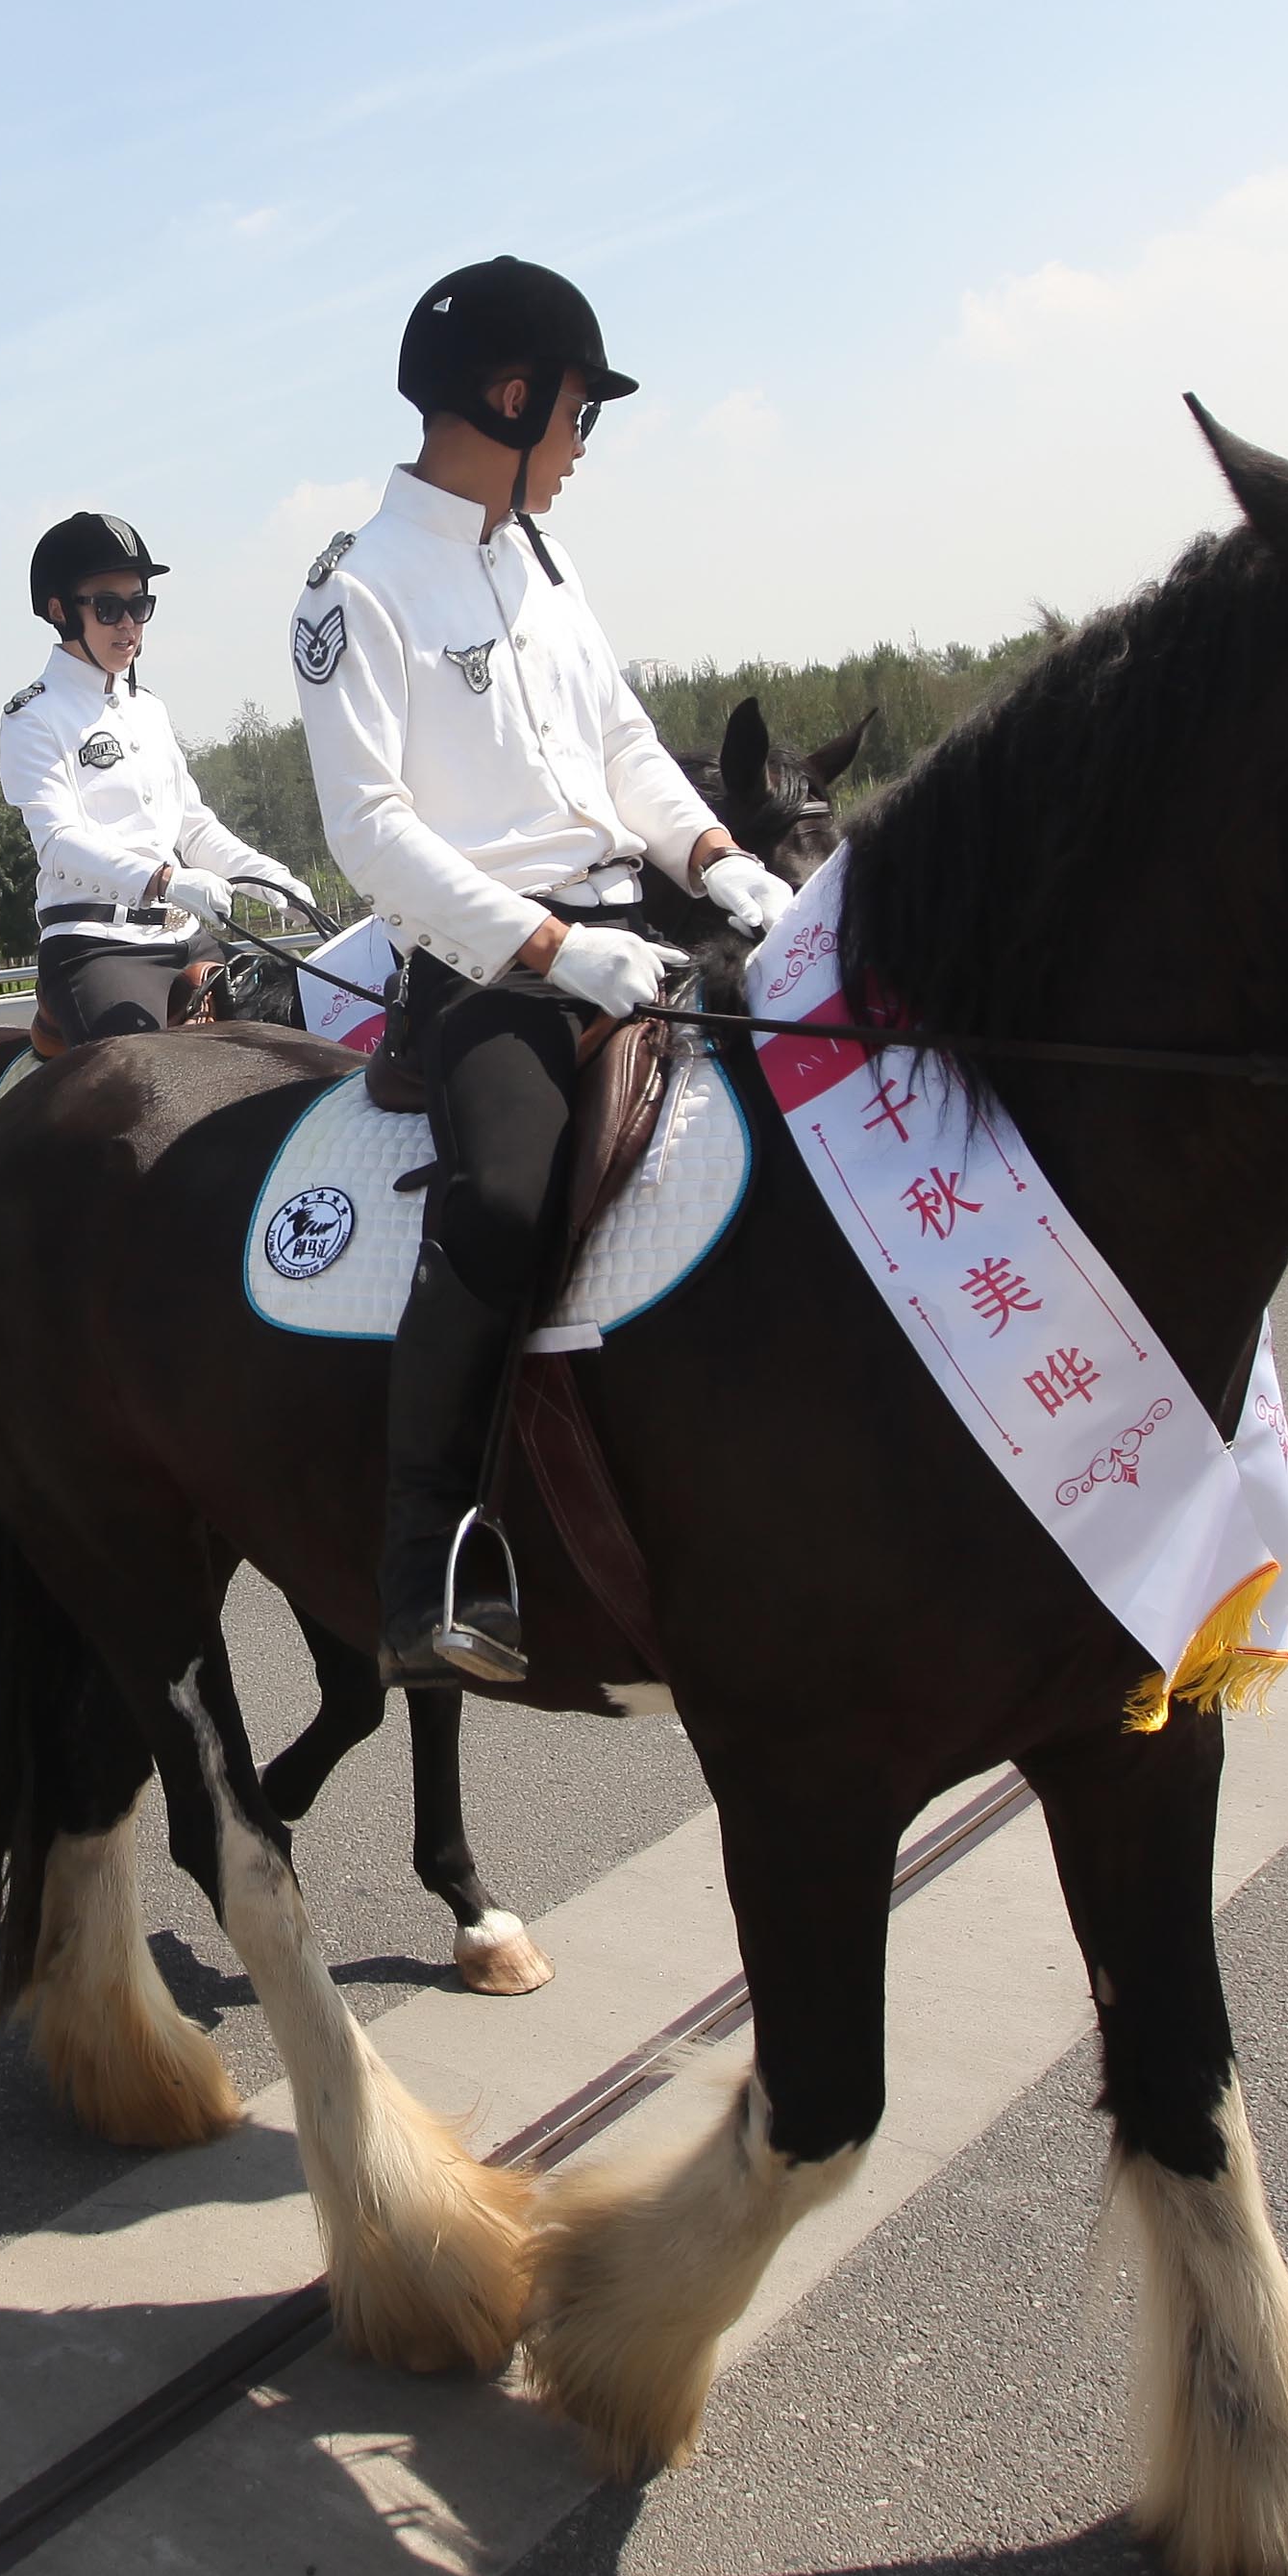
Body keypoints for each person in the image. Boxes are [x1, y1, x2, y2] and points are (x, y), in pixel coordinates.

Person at [292, 255, 784, 1688]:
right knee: (505, 1200)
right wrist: (554, 948)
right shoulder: (357, 586)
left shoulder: (536, 558)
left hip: (637, 920)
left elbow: (623, 746)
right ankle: (426, 1557)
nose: (582, 447)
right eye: (579, 415)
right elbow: (369, 833)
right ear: (511, 400)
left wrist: (714, 862)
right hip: (494, 968)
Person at [0, 508, 321, 1043]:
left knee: (311, 1020)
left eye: (139, 605)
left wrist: (274, 879)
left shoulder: (149, 709)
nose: (128, 623)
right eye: (108, 608)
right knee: (144, 1084)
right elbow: (58, 844)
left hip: (188, 938)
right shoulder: (32, 716)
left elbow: (193, 828)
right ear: (60, 610)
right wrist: (166, 881)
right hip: (98, 945)